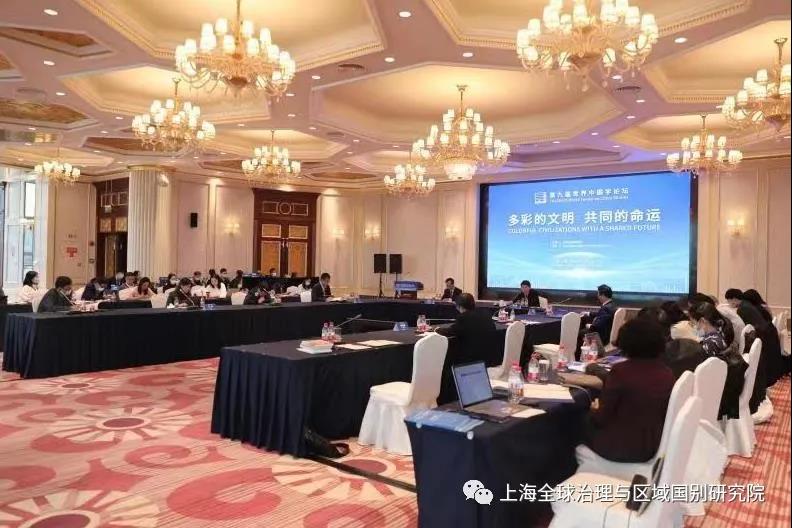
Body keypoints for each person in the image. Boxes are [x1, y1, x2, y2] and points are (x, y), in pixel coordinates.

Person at [582, 318, 675, 463]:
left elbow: (601, 418)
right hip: (652, 446)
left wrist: (594, 409)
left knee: (573, 421)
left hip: (619, 448)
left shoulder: (620, 372)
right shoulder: (667, 373)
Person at [689, 302, 747, 420]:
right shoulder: (720, 335)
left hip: (713, 396)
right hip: (723, 390)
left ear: (703, 321)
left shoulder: (709, 344)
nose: (694, 327)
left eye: (693, 323)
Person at [436, 293, 497, 364]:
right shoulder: (485, 313)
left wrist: (437, 329)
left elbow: (450, 331)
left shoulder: (463, 317)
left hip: (472, 359)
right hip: (490, 356)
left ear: (460, 306)